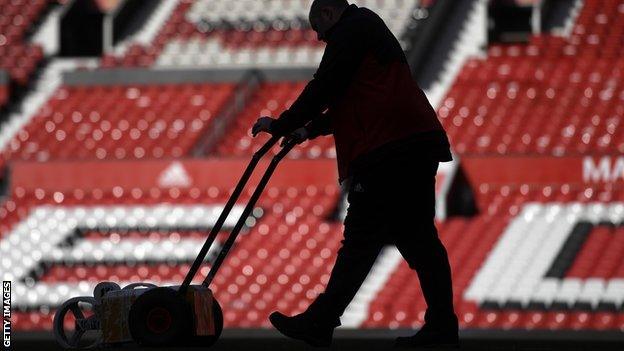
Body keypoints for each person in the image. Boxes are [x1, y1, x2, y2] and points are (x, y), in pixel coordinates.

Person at [252, 0, 458, 348]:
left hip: (389, 150)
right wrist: (308, 130)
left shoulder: (352, 28)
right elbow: (353, 99)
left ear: (330, 13)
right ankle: (441, 327)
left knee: (362, 238)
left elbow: (324, 86)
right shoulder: (364, 32)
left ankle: (320, 321)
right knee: (419, 240)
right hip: (412, 144)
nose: (320, 39)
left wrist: (284, 123)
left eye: (320, 30)